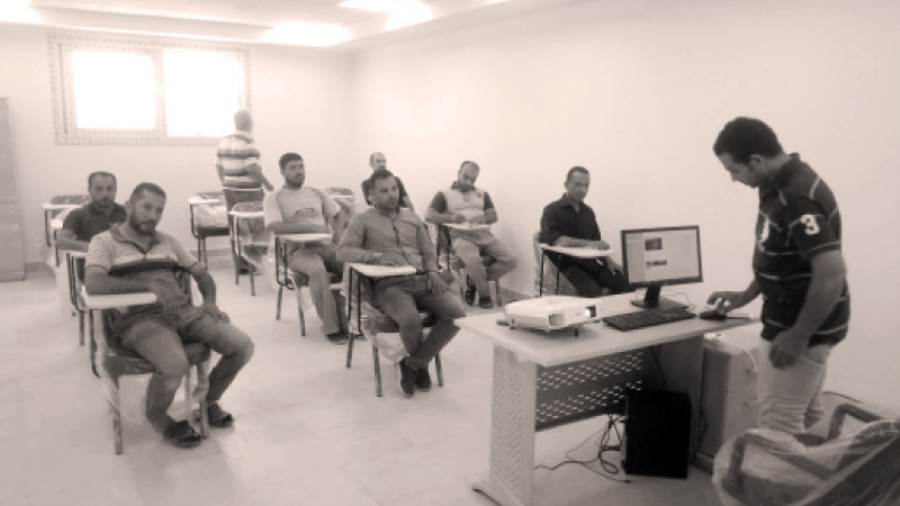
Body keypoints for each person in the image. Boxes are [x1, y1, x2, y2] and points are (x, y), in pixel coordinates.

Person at [707, 117, 850, 436]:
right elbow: (781, 255)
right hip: (804, 321)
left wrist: (798, 334)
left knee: (778, 428)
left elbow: (831, 273)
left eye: (734, 170)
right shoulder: (777, 184)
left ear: (756, 160)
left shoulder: (796, 197)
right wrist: (746, 295)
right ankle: (811, 464)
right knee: (808, 415)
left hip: (799, 326)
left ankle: (786, 470)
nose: (733, 179)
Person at [84, 183, 254, 448]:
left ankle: (207, 401)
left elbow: (202, 274)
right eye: (146, 207)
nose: (153, 215)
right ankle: (158, 416)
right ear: (129, 205)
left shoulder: (167, 241)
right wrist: (146, 286)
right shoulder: (104, 242)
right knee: (175, 364)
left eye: (159, 210)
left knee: (242, 346)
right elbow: (94, 284)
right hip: (140, 320)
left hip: (184, 313)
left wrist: (209, 302)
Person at [338, 169, 465, 398]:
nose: (391, 195)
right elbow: (343, 251)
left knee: (457, 314)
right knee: (410, 320)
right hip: (389, 285)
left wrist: (433, 272)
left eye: (394, 188)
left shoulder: (412, 217)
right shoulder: (362, 220)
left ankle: (413, 364)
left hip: (423, 279)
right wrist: (377, 257)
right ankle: (421, 367)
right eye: (384, 191)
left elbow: (428, 251)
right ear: (371, 195)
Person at [264, 152, 347, 344]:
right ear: (282, 172)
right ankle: (332, 328)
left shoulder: (316, 192)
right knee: (318, 271)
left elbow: (339, 214)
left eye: (301, 166)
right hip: (297, 252)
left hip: (325, 246)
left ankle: (352, 320)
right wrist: (310, 227)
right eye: (292, 167)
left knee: (351, 266)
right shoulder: (274, 197)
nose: (299, 171)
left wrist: (338, 235)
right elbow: (275, 226)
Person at [425, 160, 517, 308]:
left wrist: (483, 218)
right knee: (473, 261)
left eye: (473, 179)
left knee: (511, 260)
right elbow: (429, 216)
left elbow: (493, 216)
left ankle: (474, 281)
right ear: (458, 173)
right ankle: (484, 295)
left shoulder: (482, 193)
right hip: (461, 237)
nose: (468, 182)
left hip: (485, 236)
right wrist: (450, 218)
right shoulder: (444, 194)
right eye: (465, 177)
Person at [539, 166, 629, 296]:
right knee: (593, 292)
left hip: (590, 264)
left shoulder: (588, 212)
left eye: (586, 185)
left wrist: (610, 262)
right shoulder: (551, 210)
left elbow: (597, 243)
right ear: (566, 185)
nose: (583, 190)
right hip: (565, 266)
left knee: (625, 283)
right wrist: (590, 244)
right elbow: (559, 241)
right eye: (578, 184)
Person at [216, 109, 274, 273]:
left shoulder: (224, 141)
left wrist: (224, 183)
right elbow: (252, 168)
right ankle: (254, 262)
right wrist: (268, 185)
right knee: (256, 227)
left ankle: (240, 264)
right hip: (249, 191)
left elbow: (218, 166)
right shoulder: (248, 141)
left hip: (229, 190)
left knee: (236, 226)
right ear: (249, 123)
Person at [55, 171, 126, 252]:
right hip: (91, 258)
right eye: (99, 189)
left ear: (115, 190)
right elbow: (60, 242)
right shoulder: (78, 214)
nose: (105, 194)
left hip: (125, 257)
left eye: (109, 189)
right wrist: (88, 246)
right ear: (89, 190)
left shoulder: (127, 212)